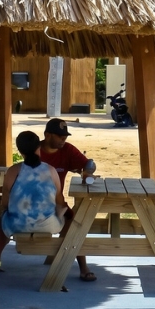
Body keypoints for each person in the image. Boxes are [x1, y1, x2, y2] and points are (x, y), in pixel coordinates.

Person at [38, 118, 97, 281]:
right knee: (75, 224)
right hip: (33, 204)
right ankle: (80, 267)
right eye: (59, 136)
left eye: (65, 136)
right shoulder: (35, 151)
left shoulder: (67, 150)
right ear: (47, 135)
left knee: (76, 222)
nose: (64, 139)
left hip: (56, 205)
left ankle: (81, 266)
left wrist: (87, 171)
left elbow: (89, 164)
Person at [0, 131, 65, 268]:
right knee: (68, 216)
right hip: (48, 225)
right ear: (38, 147)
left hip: (17, 224)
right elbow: (59, 200)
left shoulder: (13, 171)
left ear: (20, 151)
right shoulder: (51, 170)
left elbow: (5, 202)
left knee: (2, 221)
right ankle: (63, 258)